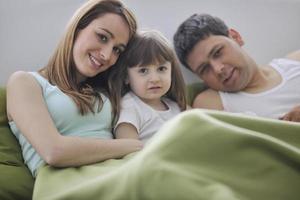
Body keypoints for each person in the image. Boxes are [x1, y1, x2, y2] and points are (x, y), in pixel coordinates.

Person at [6, 0, 143, 177]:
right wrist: (137, 146)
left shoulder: (106, 91)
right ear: (77, 28)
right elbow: (54, 151)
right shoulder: (25, 82)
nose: (107, 55)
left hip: (119, 174)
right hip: (66, 184)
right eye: (102, 37)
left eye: (117, 49)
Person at [173, 13, 300, 122]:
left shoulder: (295, 62)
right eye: (205, 69)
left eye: (217, 52)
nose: (218, 69)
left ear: (235, 37)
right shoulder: (212, 103)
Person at [108, 30, 187, 144]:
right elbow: (127, 149)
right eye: (143, 70)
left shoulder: (175, 106)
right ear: (126, 77)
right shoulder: (130, 107)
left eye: (161, 69)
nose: (155, 79)